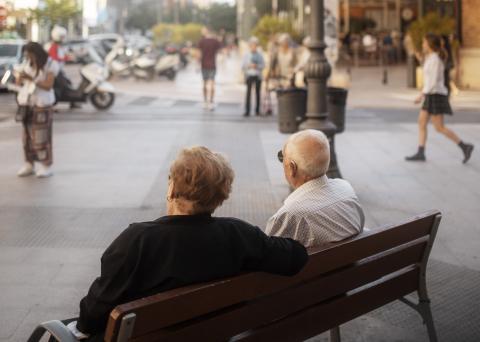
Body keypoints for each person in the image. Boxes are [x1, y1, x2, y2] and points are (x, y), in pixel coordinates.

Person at [58, 146, 308, 340]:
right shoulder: (238, 234)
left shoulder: (137, 240)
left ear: (172, 189)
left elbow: (92, 315)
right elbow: (296, 256)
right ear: (221, 194)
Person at [266, 130, 365, 247]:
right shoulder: (345, 188)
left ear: (292, 167)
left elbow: (268, 257)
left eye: (282, 157)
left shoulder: (289, 215)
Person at [406, 34, 474, 163]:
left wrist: (421, 95)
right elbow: (427, 77)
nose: (423, 45)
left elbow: (433, 82)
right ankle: (421, 152)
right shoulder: (431, 58)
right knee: (421, 122)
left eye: (424, 42)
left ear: (430, 44)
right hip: (431, 95)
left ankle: (465, 146)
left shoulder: (436, 60)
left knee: (439, 127)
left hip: (436, 95)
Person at [16, 42, 59, 178]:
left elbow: (48, 85)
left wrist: (32, 79)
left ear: (37, 53)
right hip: (27, 104)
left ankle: (46, 165)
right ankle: (29, 164)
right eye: (26, 55)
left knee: (41, 137)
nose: (28, 58)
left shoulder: (50, 64)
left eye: (30, 55)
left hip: (42, 104)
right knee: (27, 138)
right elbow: (19, 83)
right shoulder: (27, 64)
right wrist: (19, 77)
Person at [197, 27, 222, 111]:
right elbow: (220, 51)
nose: (202, 32)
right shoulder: (215, 41)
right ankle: (211, 102)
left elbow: (199, 54)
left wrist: (197, 64)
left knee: (204, 84)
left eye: (203, 30)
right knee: (212, 84)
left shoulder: (202, 41)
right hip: (213, 65)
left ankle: (205, 102)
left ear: (206, 31)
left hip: (204, 65)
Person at [242, 37, 265, 117]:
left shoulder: (260, 55)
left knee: (258, 93)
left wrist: (257, 66)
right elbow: (243, 66)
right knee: (248, 94)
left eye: (255, 45)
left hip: (257, 75)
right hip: (249, 75)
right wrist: (249, 66)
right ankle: (247, 111)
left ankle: (257, 110)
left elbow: (263, 65)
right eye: (252, 45)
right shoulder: (246, 55)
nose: (253, 47)